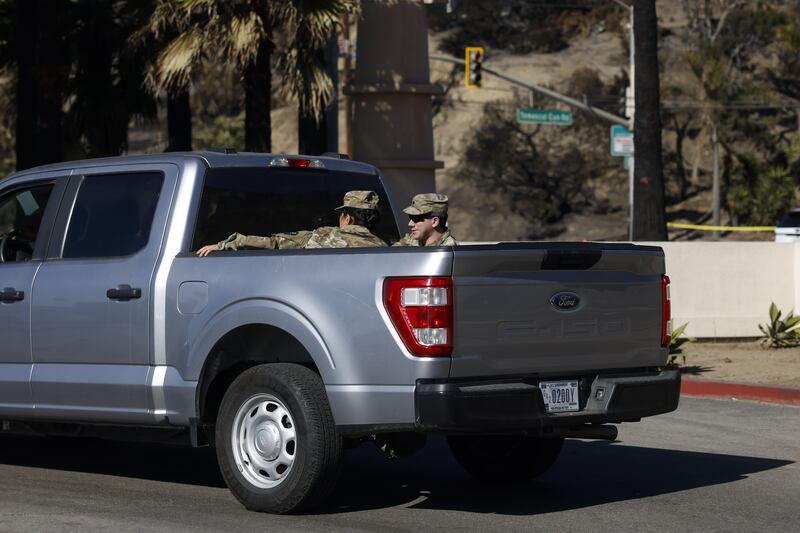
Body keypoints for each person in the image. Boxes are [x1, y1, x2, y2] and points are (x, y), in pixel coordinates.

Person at [196, 190, 386, 256]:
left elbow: (273, 243)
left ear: (347, 217)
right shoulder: (384, 249)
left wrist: (224, 245)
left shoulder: (324, 235)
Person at [394, 193, 458, 246]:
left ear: (435, 222)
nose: (410, 224)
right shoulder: (411, 240)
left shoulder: (448, 249)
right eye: (410, 217)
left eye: (416, 218)